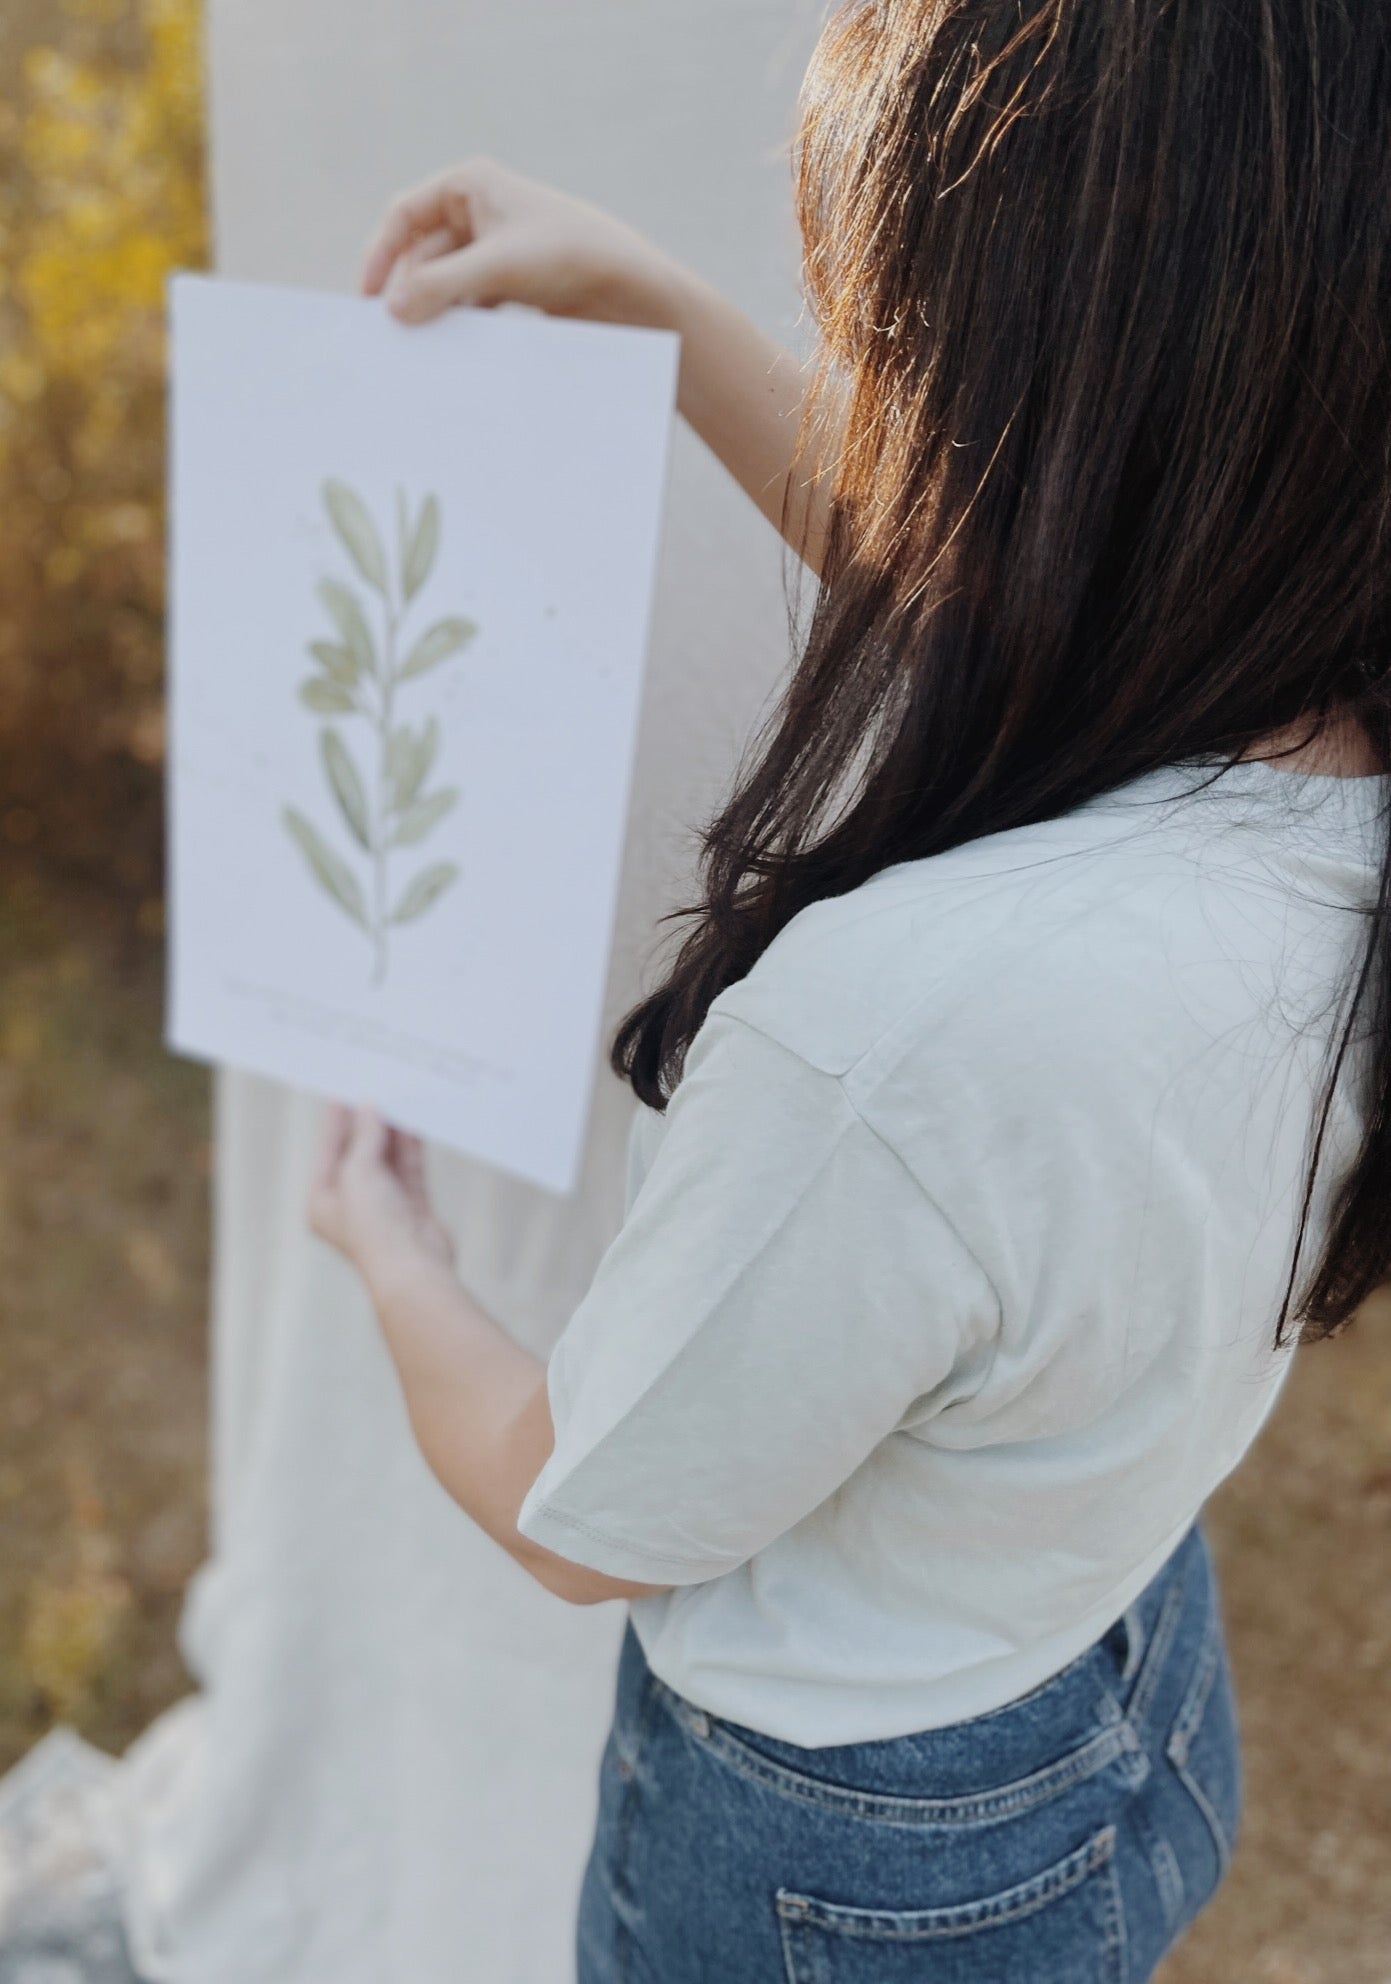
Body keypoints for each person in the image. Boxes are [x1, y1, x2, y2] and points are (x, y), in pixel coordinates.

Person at [310, 3, 1391, 1977]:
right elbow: (1026, 603)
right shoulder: (1315, 787)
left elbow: (581, 1504)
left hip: (846, 1862)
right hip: (1113, 1672)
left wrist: (387, 1241)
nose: (882, 400)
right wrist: (641, 298)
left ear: (1049, 412)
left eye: (902, 355)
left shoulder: (902, 1034)